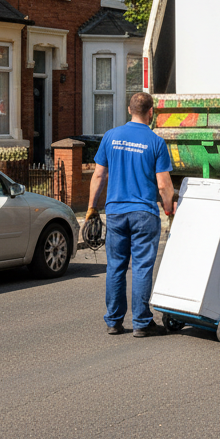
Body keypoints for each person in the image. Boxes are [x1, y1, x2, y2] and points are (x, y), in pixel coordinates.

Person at [86, 92, 176, 337]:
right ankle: (141, 322)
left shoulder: (111, 137)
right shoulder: (155, 142)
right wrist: (169, 209)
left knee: (115, 267)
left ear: (129, 109)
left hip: (115, 212)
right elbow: (164, 186)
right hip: (144, 213)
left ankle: (114, 321)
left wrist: (92, 208)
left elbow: (98, 176)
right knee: (142, 268)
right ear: (151, 113)